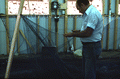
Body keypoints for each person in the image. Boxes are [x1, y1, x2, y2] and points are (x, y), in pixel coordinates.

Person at [64, 0, 103, 79]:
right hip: (88, 47)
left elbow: (88, 33)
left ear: (82, 5)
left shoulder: (92, 14)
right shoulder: (88, 13)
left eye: (79, 8)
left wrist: (73, 34)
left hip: (92, 47)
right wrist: (78, 31)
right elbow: (88, 30)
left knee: (89, 72)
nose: (79, 11)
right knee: (87, 70)